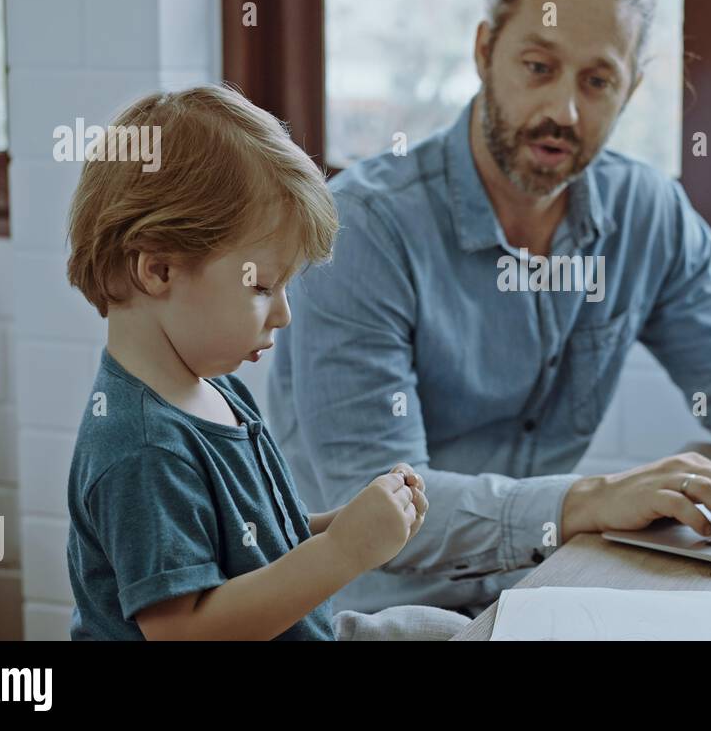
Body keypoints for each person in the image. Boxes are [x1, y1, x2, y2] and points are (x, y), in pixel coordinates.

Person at [269, 0, 711, 614]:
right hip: (374, 614)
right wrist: (589, 499)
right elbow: (377, 506)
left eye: (597, 82)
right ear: (483, 51)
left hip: (539, 591)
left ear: (631, 90)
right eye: (538, 66)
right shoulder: (363, 230)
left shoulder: (646, 212)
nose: (564, 111)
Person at [64, 85, 468, 640]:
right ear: (157, 269)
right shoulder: (143, 449)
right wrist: (344, 551)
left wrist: (350, 525)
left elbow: (262, 542)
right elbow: (187, 633)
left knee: (450, 630)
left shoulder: (217, 391)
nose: (283, 316)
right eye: (262, 286)